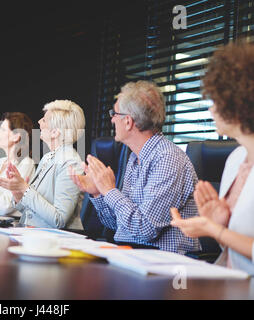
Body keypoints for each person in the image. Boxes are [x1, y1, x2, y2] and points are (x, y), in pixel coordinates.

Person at [70, 80, 200, 254]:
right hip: (134, 255)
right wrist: (98, 193)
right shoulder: (135, 158)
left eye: (115, 113)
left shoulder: (167, 159)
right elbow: (120, 224)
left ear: (128, 121)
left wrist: (110, 191)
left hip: (162, 264)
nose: (112, 119)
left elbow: (145, 230)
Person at [170, 42, 254, 275]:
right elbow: (232, 248)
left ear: (238, 102)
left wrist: (215, 230)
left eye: (215, 100)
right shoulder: (236, 159)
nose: (211, 111)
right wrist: (219, 225)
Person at [0, 100, 85, 229]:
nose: (39, 122)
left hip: (56, 243)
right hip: (34, 236)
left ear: (55, 132)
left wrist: (25, 189)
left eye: (44, 120)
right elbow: (31, 211)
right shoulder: (48, 157)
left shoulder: (70, 162)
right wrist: (18, 194)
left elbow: (59, 219)